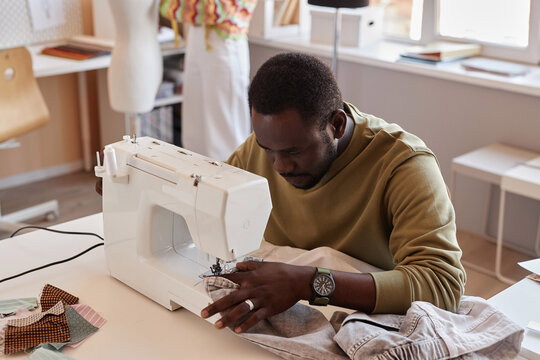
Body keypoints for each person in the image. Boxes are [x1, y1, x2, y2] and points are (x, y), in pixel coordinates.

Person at [200, 52, 466, 334]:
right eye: (268, 149)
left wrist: (308, 283)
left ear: (337, 124)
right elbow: (211, 209)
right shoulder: (262, 146)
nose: (280, 166)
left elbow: (442, 283)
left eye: (294, 151)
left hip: (366, 320)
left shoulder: (404, 165)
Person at [160, 0, 257, 161]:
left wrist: (179, 6)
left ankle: (229, 182)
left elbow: (217, 9)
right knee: (194, 131)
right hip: (198, 36)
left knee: (224, 133)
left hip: (225, 41)